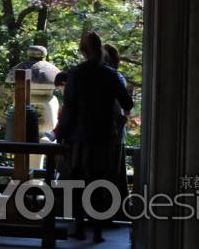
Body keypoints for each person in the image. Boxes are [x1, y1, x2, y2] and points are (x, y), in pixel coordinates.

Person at [57, 31, 133, 242]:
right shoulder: (111, 74)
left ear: (84, 51)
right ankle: (98, 230)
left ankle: (80, 227)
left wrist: (61, 133)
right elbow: (127, 104)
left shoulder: (76, 73)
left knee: (78, 182)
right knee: (99, 182)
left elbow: (70, 108)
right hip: (103, 137)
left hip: (79, 137)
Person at [103, 43, 131, 207]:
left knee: (110, 173)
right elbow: (126, 107)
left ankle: (109, 209)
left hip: (111, 132)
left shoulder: (112, 77)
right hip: (116, 131)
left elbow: (123, 107)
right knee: (115, 174)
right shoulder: (117, 76)